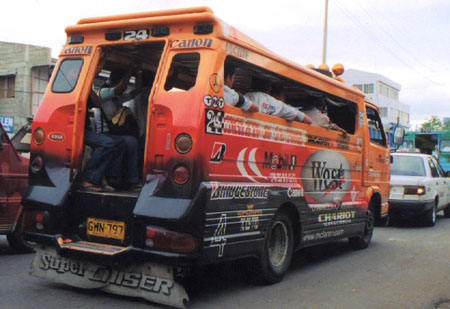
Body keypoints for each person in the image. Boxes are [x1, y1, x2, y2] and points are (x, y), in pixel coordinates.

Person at [94, 67, 143, 191]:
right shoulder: (104, 92)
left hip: (114, 132)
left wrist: (139, 72)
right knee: (123, 143)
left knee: (133, 141)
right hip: (104, 133)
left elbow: (136, 91)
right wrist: (129, 69)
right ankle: (114, 178)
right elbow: (121, 87)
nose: (125, 87)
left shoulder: (117, 98)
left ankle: (132, 180)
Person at [80, 90, 125, 192]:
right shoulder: (73, 88)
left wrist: (88, 87)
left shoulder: (85, 88)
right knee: (107, 143)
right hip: (77, 130)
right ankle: (88, 179)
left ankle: (111, 179)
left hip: (86, 130)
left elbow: (97, 104)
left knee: (120, 142)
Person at [245, 77, 312, 124]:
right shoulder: (277, 104)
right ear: (269, 89)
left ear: (251, 85)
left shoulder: (245, 98)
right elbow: (307, 119)